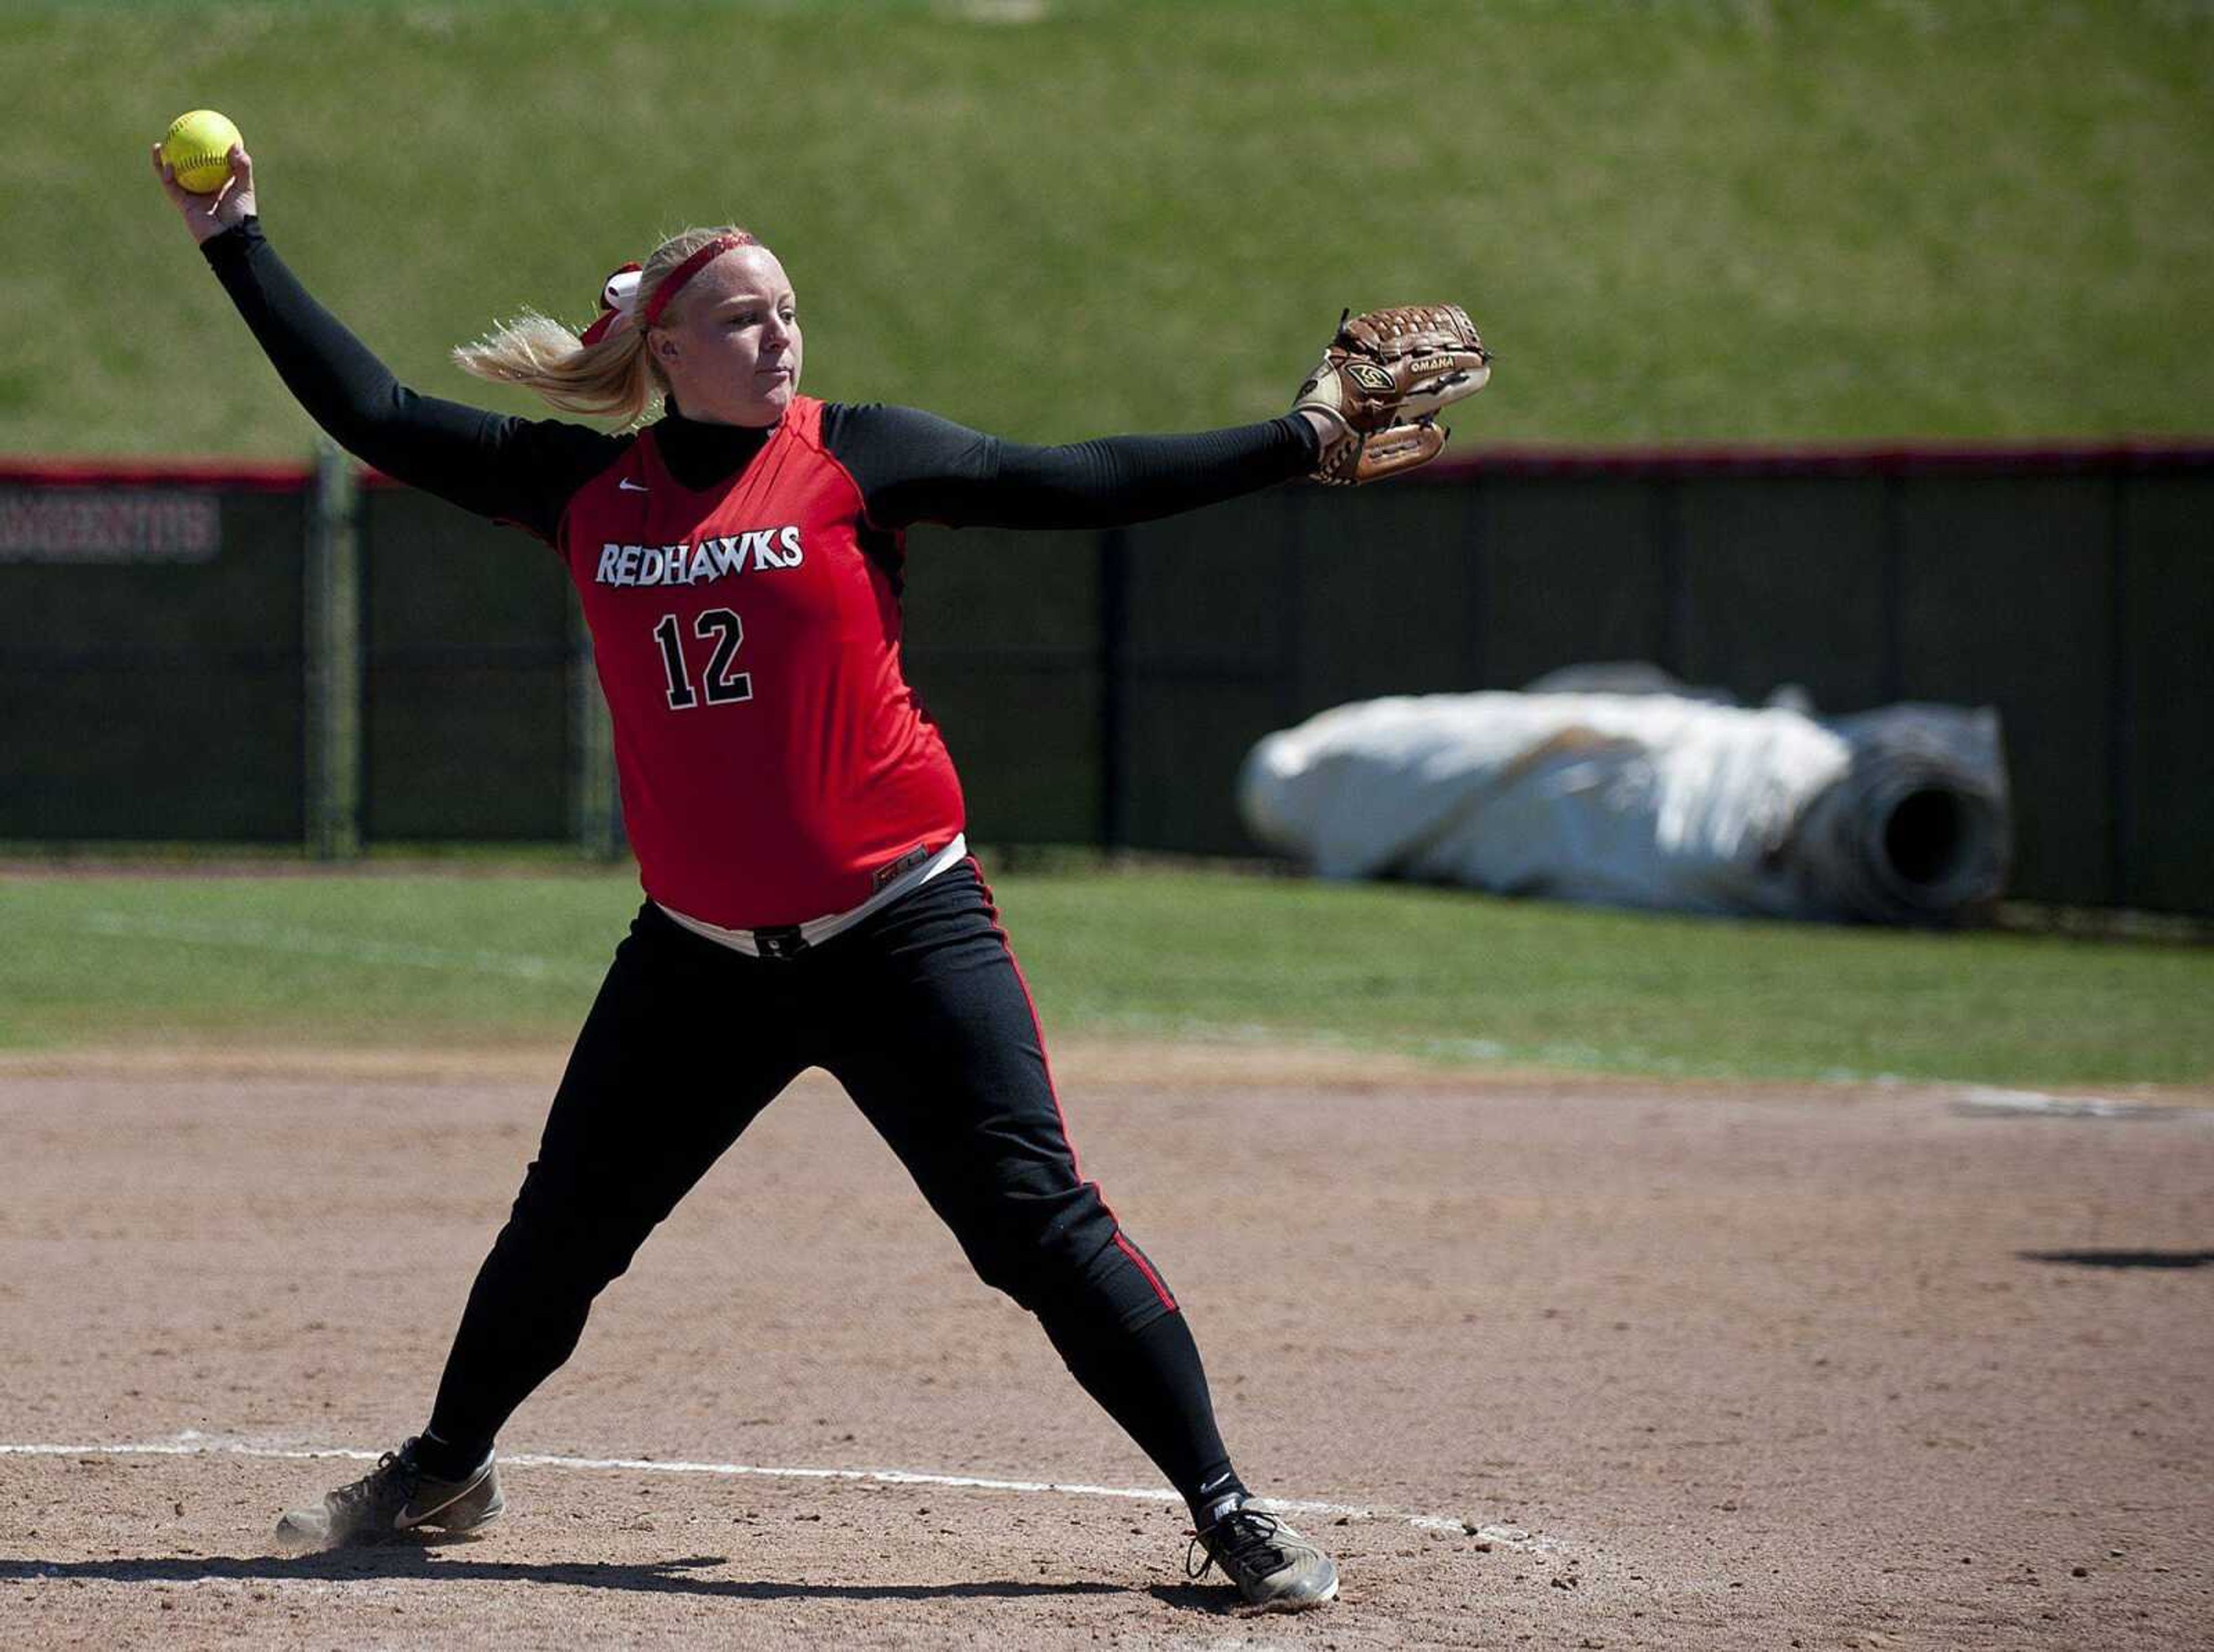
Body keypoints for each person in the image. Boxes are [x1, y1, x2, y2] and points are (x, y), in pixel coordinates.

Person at [156, 138, 1349, 1612]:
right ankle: (447, 1462)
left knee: (1038, 1225)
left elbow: (1082, 479)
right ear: (663, 350)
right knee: (567, 1227)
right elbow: (376, 411)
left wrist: (1293, 439)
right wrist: (236, 242)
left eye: (786, 310)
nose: (776, 334)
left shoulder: (862, 454)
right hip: (701, 952)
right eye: (739, 316)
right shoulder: (582, 483)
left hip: (902, 922)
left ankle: (1226, 1506)